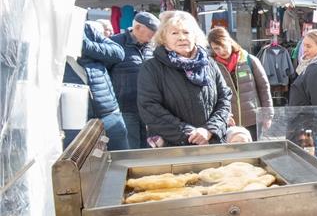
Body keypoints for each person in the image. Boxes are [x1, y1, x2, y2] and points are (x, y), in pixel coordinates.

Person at [137, 11, 231, 147]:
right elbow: (149, 108)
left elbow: (225, 98)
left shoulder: (209, 63)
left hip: (212, 142)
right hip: (173, 148)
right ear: (163, 38)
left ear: (195, 36)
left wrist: (209, 130)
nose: (181, 38)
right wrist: (190, 133)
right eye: (174, 33)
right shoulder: (151, 68)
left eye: (186, 32)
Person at [62, 21, 128, 150]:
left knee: (120, 158)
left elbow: (118, 53)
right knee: (79, 164)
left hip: (108, 112)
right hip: (72, 119)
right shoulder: (44, 36)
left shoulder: (85, 28)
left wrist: (85, 46)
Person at [208, 26, 274, 141]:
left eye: (223, 45)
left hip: (253, 120)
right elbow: (210, 95)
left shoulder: (249, 60)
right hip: (227, 122)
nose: (221, 51)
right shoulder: (211, 66)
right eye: (216, 48)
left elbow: (264, 88)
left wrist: (267, 115)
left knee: (253, 153)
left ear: (229, 41)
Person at [109, 11, 158, 148]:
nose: (152, 38)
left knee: (148, 148)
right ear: (137, 28)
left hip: (148, 109)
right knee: (131, 148)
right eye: (150, 34)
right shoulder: (115, 44)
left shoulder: (150, 47)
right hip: (125, 108)